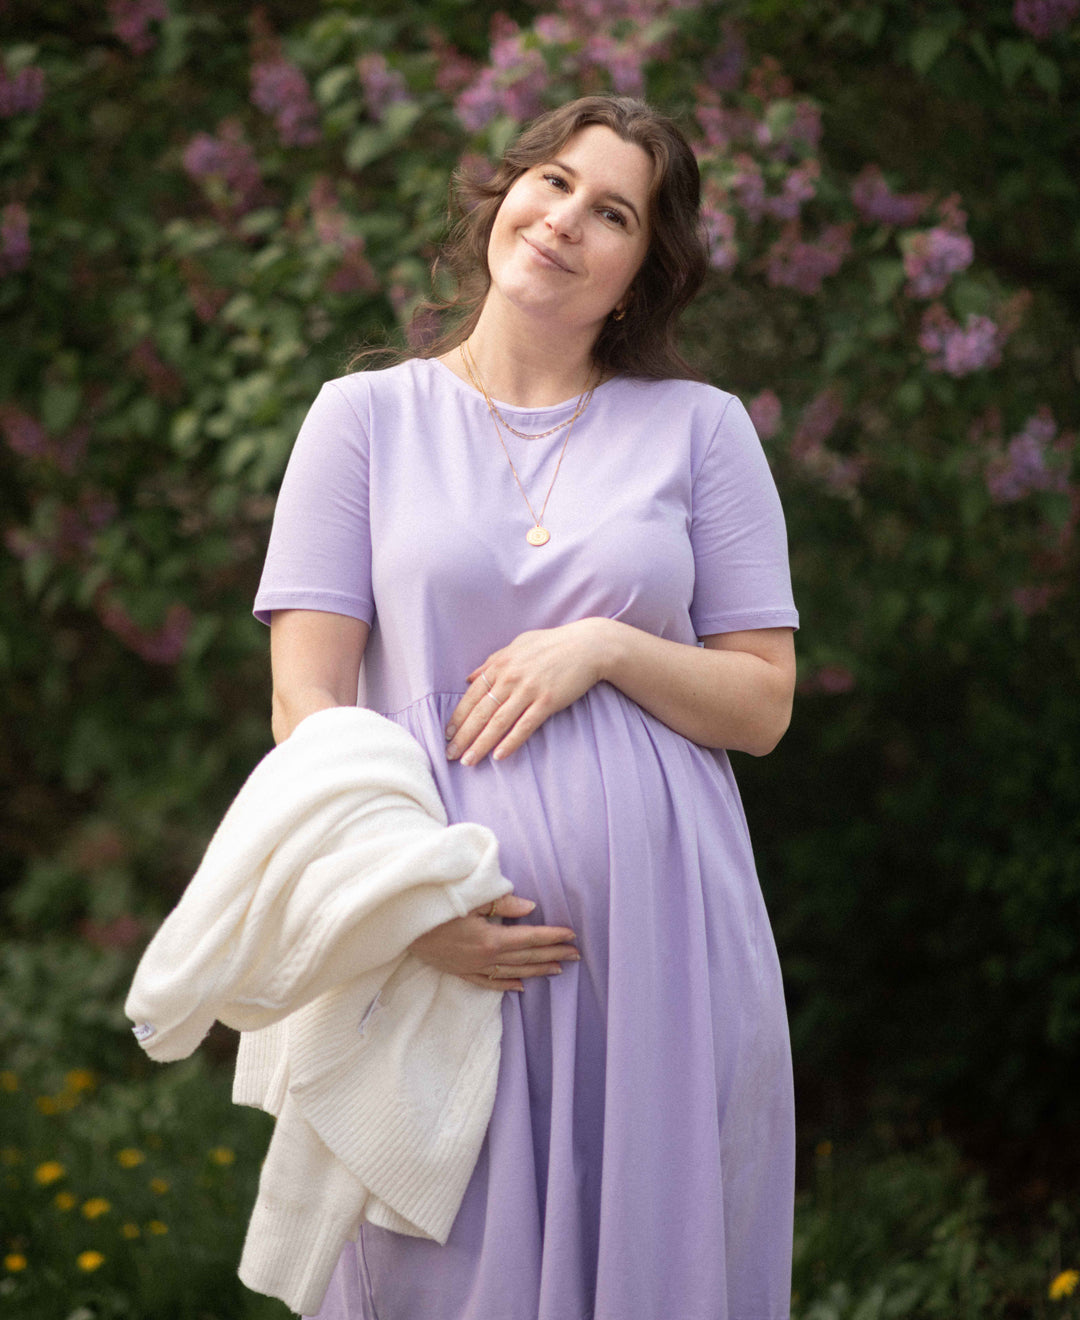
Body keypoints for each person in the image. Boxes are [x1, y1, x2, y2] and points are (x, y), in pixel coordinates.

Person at [254, 94, 799, 1320]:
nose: (563, 220)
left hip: (667, 961)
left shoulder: (702, 433)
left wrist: (604, 647)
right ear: (502, 199)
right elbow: (307, 704)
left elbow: (763, 704)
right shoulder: (365, 421)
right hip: (443, 954)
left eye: (610, 212)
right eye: (551, 182)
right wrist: (403, 913)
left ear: (637, 272)